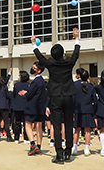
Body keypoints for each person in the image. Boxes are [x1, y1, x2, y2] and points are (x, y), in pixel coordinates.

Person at [31, 27, 80, 164]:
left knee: (57, 125)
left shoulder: (50, 63)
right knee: (69, 124)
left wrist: (34, 43)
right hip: (68, 95)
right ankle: (68, 153)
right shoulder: (69, 62)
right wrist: (76, 38)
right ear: (63, 53)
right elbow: (76, 54)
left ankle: (59, 154)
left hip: (55, 97)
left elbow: (39, 57)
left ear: (52, 55)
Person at [19, 61, 46, 156]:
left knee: (28, 124)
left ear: (38, 70)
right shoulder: (42, 81)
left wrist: (24, 93)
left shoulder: (36, 81)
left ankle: (32, 144)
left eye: (34, 68)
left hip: (32, 106)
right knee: (39, 127)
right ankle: (39, 146)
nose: (32, 69)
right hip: (40, 107)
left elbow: (30, 94)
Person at [72, 69, 96, 157]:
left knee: (77, 130)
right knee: (87, 130)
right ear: (88, 77)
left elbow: (73, 99)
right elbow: (95, 100)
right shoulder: (91, 87)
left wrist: (73, 110)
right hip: (88, 110)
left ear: (79, 76)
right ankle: (86, 148)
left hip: (78, 110)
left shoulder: (75, 85)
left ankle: (74, 147)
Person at [11, 71, 30, 144]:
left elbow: (14, 95)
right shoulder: (29, 85)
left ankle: (16, 138)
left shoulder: (16, 85)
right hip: (26, 106)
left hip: (17, 106)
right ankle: (26, 138)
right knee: (26, 123)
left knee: (17, 123)